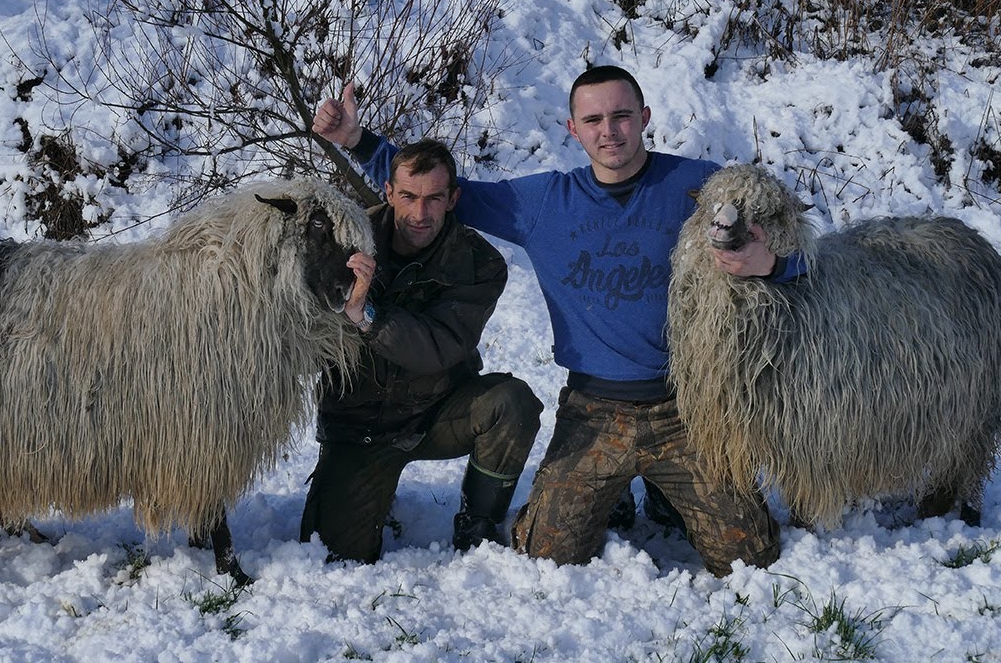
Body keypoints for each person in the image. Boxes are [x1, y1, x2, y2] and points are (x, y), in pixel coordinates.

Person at [312, 66, 806, 576]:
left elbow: (803, 251)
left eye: (621, 116)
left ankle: (664, 493)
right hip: (594, 410)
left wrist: (769, 265)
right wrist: (356, 139)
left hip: (685, 407)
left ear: (645, 119)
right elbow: (431, 192)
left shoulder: (698, 188)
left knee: (750, 558)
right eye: (593, 119)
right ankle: (614, 490)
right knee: (546, 555)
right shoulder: (544, 202)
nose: (609, 131)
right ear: (573, 129)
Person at [299, 138, 544, 563]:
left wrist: (366, 314)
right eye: (408, 197)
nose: (419, 213)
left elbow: (440, 346)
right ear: (389, 192)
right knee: (334, 554)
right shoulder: (343, 243)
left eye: (433, 199)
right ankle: (366, 486)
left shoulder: (480, 263)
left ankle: (478, 522)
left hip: (438, 411)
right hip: (360, 424)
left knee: (512, 403)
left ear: (453, 199)